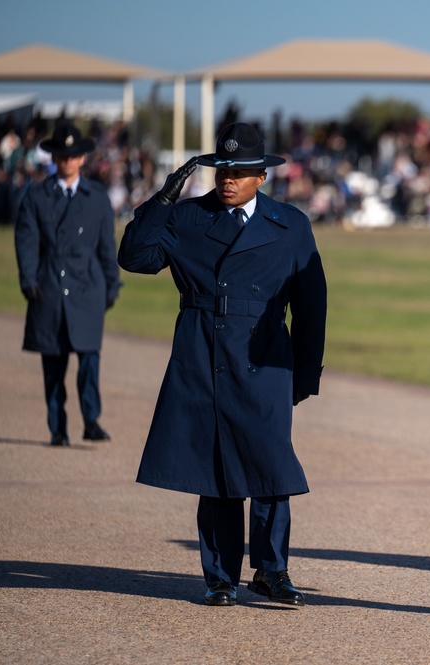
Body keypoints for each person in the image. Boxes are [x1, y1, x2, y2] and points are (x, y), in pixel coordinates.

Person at [117, 123, 327, 607]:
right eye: (221, 169)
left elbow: (311, 304)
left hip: (266, 357)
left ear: (261, 176)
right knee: (216, 473)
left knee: (272, 468)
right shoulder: (187, 217)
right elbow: (134, 257)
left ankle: (272, 571)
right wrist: (163, 199)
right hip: (202, 354)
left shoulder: (290, 224)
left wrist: (307, 371)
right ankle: (219, 577)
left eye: (238, 171)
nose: (227, 179)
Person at [14, 123, 120, 446]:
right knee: (54, 364)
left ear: (82, 158)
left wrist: (112, 284)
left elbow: (107, 246)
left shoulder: (98, 198)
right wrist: (28, 278)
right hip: (50, 287)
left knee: (89, 358)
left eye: (73, 156)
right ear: (54, 157)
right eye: (62, 155)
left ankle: (91, 420)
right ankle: (57, 427)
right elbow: (26, 240)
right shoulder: (37, 195)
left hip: (88, 286)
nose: (68, 161)